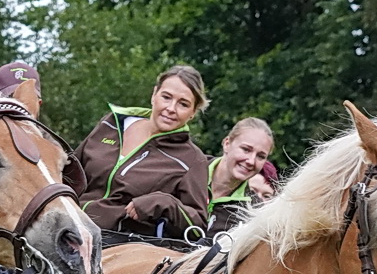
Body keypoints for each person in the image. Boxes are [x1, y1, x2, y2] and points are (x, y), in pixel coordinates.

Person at [67, 65, 212, 239]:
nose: (171, 108)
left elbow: (198, 228)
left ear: (193, 113)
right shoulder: (111, 124)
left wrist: (165, 203)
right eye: (166, 97)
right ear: (154, 95)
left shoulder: (193, 159)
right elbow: (69, 172)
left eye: (183, 104)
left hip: (118, 245)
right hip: (67, 223)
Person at [203, 117, 275, 237]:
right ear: (227, 144)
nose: (251, 161)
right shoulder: (188, 170)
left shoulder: (254, 213)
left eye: (261, 156)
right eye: (246, 150)